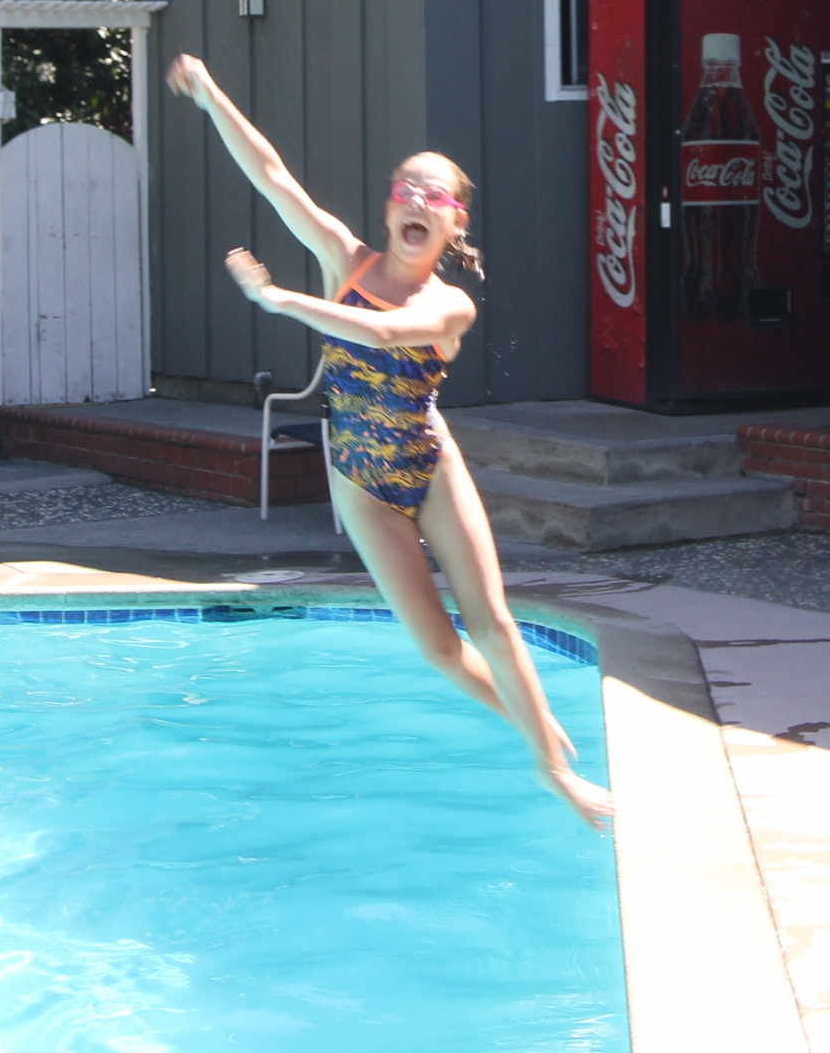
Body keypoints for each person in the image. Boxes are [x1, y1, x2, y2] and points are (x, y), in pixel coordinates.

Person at [166, 52, 615, 831]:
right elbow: (273, 176)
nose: (416, 200)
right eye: (405, 188)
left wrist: (279, 300)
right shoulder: (347, 260)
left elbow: (382, 332)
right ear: (388, 207)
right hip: (360, 484)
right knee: (438, 650)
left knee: (491, 621)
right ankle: (533, 725)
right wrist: (209, 95)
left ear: (454, 221)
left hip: (428, 463)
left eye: (433, 194)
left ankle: (554, 771)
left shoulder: (452, 307)